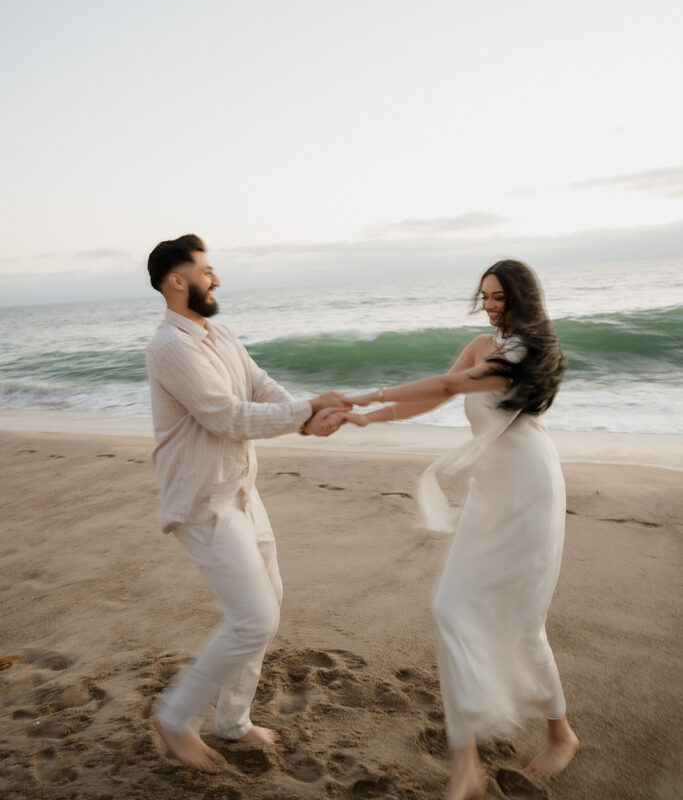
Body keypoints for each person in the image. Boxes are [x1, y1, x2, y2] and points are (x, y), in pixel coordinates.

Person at [343, 260, 579, 800]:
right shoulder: (481, 345)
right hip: (488, 497)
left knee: (522, 624)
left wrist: (367, 393)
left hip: (529, 492)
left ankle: (561, 735)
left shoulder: (526, 353)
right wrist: (367, 418)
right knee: (450, 609)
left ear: (524, 297)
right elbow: (439, 395)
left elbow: (450, 382)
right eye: (486, 296)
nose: (492, 305)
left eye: (500, 296)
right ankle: (466, 766)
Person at [145, 234, 349, 773]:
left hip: (242, 494)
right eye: (207, 271)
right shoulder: (170, 347)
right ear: (176, 280)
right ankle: (174, 718)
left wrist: (306, 417)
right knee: (252, 619)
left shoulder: (222, 334)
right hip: (203, 503)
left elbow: (259, 387)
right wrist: (307, 410)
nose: (217, 279)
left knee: (268, 607)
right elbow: (226, 416)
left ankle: (232, 721)